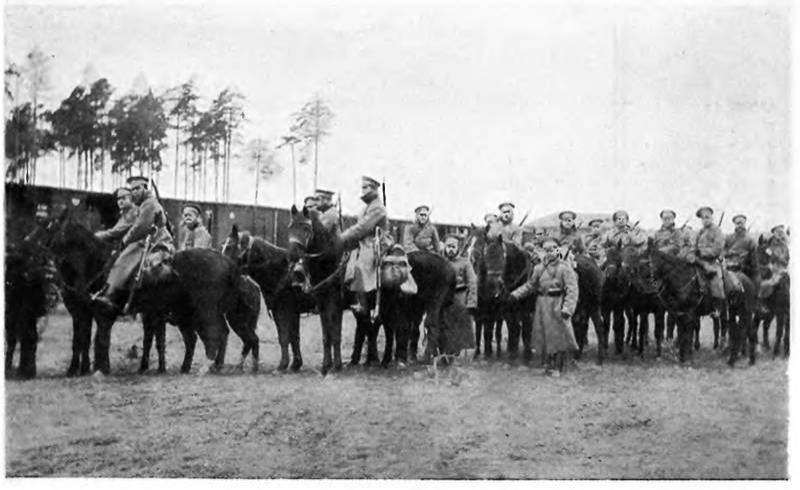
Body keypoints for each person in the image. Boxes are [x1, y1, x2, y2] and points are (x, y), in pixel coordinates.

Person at [92, 176, 173, 314]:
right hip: (148, 240)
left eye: (137, 189)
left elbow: (140, 227)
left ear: (145, 188)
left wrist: (125, 241)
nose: (135, 192)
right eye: (133, 190)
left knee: (126, 257)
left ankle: (112, 294)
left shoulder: (149, 204)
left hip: (157, 241)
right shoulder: (144, 204)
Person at [507, 237, 579, 376]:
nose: (549, 252)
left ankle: (558, 366)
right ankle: (548, 364)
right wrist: (515, 295)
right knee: (545, 335)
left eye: (552, 249)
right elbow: (530, 285)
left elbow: (572, 289)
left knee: (558, 336)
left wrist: (568, 308)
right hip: (542, 304)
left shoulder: (564, 268)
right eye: (546, 249)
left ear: (558, 250)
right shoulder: (539, 268)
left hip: (557, 304)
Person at [340, 176, 393, 313]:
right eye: (362, 187)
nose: (362, 191)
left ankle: (363, 303)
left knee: (362, 263)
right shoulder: (367, 207)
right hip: (365, 241)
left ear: (374, 189)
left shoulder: (377, 208)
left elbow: (362, 228)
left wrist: (342, 238)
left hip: (377, 241)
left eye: (365, 187)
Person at [690, 206, 729, 318]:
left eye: (707, 217)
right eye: (702, 218)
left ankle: (718, 306)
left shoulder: (717, 231)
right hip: (698, 261)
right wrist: (693, 252)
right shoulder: (699, 232)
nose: (705, 220)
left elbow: (717, 249)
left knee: (716, 279)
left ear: (712, 217)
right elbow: (693, 246)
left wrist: (702, 252)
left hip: (712, 262)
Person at [443, 234, 477, 311]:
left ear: (458, 248)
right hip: (443, 296)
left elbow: (472, 282)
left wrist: (471, 303)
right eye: (448, 246)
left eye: (453, 247)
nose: (451, 249)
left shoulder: (465, 263)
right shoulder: (441, 262)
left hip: (459, 294)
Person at [723, 214, 758, 281]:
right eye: (737, 223)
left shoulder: (750, 240)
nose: (740, 225)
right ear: (734, 224)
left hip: (743, 271)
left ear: (745, 224)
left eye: (742, 223)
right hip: (726, 268)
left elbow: (755, 262)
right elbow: (721, 252)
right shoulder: (728, 238)